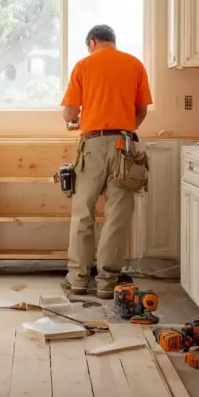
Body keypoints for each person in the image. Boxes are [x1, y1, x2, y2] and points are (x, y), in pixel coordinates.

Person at [60, 24, 153, 299]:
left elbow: (68, 113)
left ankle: (78, 280)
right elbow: (141, 111)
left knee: (83, 214)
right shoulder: (135, 64)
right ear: (112, 41)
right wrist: (124, 131)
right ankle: (107, 284)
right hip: (124, 145)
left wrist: (75, 121)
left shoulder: (83, 66)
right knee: (118, 217)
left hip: (92, 144)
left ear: (92, 42)